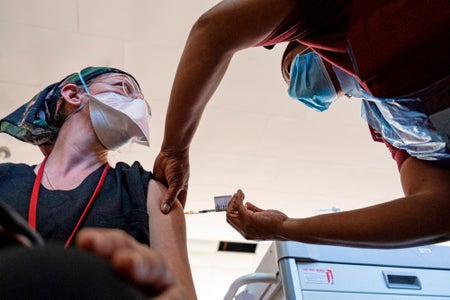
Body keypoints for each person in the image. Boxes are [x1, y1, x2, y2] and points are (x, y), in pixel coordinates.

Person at [153, 0, 450, 248]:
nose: (297, 80)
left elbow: (214, 30)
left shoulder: (352, 15)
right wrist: (286, 227)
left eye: (291, 67)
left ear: (310, 38)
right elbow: (439, 211)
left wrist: (174, 149)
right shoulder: (393, 125)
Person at [0, 67, 197, 298]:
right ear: (73, 95)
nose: (138, 105)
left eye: (142, 102)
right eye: (123, 88)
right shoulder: (5, 179)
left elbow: (181, 294)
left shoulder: (147, 191)